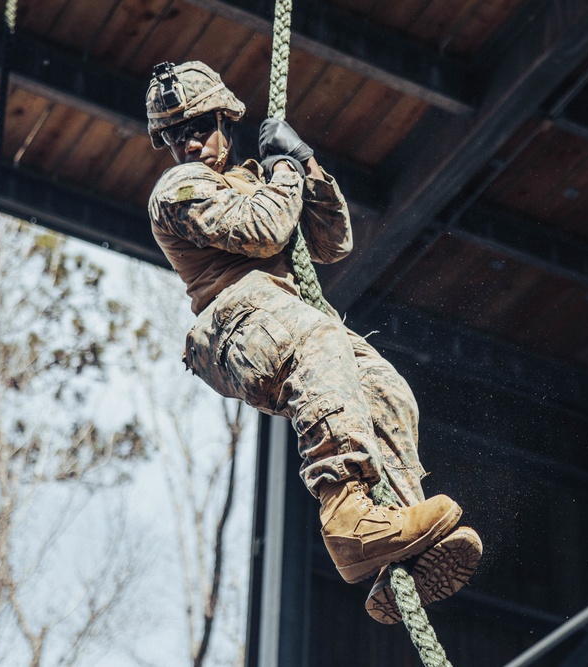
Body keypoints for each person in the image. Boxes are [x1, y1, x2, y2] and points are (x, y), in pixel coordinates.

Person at [145, 60, 481, 624]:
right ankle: (347, 512)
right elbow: (265, 231)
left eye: (198, 126)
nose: (190, 143)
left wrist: (305, 165)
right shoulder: (178, 189)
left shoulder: (252, 180)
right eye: (175, 136)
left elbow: (332, 242)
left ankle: (394, 537)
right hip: (238, 325)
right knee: (319, 337)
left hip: (280, 319)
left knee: (386, 390)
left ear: (226, 118)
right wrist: (283, 176)